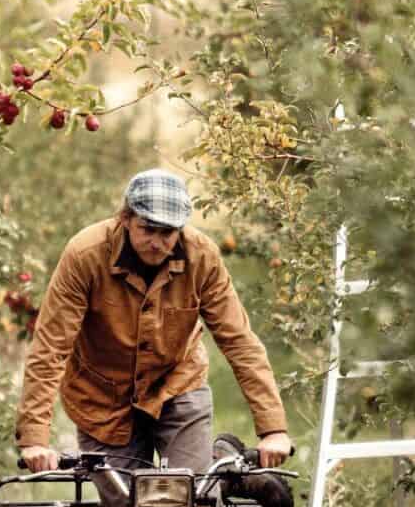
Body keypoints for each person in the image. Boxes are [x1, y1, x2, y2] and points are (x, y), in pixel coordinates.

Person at [16, 170, 292, 476]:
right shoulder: (85, 255)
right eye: (147, 229)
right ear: (125, 218)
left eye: (168, 233)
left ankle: (218, 477)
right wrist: (34, 439)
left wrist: (273, 430)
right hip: (102, 399)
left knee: (195, 501)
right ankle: (210, 475)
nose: (157, 243)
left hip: (177, 383)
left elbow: (239, 340)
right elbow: (51, 346)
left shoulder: (202, 257)